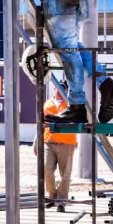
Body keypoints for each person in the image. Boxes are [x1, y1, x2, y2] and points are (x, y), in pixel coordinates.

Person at [34, 80, 75, 212]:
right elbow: (40, 123)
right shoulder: (47, 104)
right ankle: (52, 196)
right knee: (46, 169)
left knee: (65, 174)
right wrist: (36, 141)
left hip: (66, 142)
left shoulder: (71, 105)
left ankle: (61, 200)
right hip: (49, 141)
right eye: (57, 88)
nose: (59, 91)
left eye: (62, 88)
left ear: (67, 90)